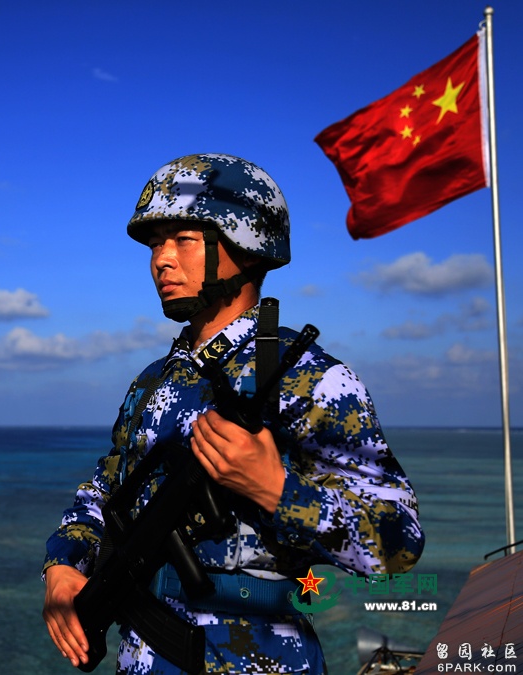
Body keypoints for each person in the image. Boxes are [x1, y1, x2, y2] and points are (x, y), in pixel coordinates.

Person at [41, 154, 425, 674]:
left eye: (183, 240)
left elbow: (397, 543)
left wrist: (275, 488)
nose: (161, 260)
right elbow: (107, 488)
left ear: (243, 247)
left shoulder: (311, 380)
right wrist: (63, 565)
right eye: (156, 244)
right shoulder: (156, 380)